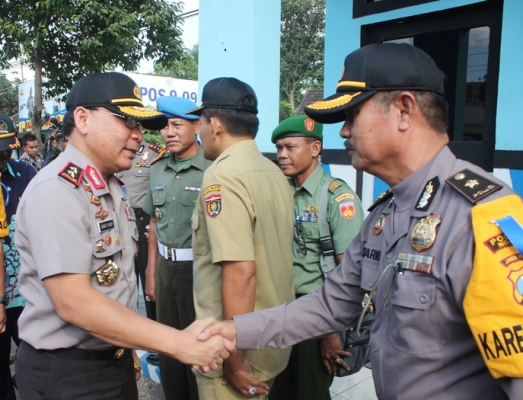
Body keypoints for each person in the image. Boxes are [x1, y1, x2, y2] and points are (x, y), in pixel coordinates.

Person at [198, 43, 523, 399]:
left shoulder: (484, 216)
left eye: (352, 116)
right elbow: (329, 304)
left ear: (403, 110)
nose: (343, 132)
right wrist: (233, 332)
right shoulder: (384, 215)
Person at [13, 72, 235, 400]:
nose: (138, 136)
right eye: (127, 122)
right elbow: (74, 302)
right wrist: (180, 344)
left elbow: (115, 282)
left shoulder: (110, 185)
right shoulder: (58, 190)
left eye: (140, 126)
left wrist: (127, 347)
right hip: (69, 374)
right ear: (83, 118)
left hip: (111, 361)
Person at [186, 77, 295, 399]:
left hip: (234, 352)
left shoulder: (223, 176)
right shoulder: (271, 170)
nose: (199, 131)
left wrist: (234, 361)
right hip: (270, 342)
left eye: (200, 123)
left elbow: (240, 272)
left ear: (215, 124)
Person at [270, 115, 364, 400]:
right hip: (282, 308)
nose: (282, 155)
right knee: (279, 390)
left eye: (290, 147)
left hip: (316, 312)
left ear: (315, 148)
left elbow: (347, 274)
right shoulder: (281, 191)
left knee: (310, 391)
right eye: (278, 148)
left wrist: (330, 331)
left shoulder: (336, 198)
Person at [143, 96, 211, 400]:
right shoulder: (157, 169)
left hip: (198, 270)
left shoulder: (212, 168)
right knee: (168, 345)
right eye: (164, 127)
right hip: (165, 268)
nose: (168, 132)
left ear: (196, 126)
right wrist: (151, 271)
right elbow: (154, 225)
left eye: (176, 124)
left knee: (198, 344)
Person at [0, 111, 37, 400]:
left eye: (6, 149)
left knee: (34, 359)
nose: (2, 157)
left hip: (26, 289)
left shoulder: (27, 175)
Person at [116, 137, 162, 321]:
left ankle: (154, 329)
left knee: (149, 279)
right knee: (121, 282)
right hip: (119, 220)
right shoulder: (114, 150)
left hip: (143, 220)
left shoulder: (153, 153)